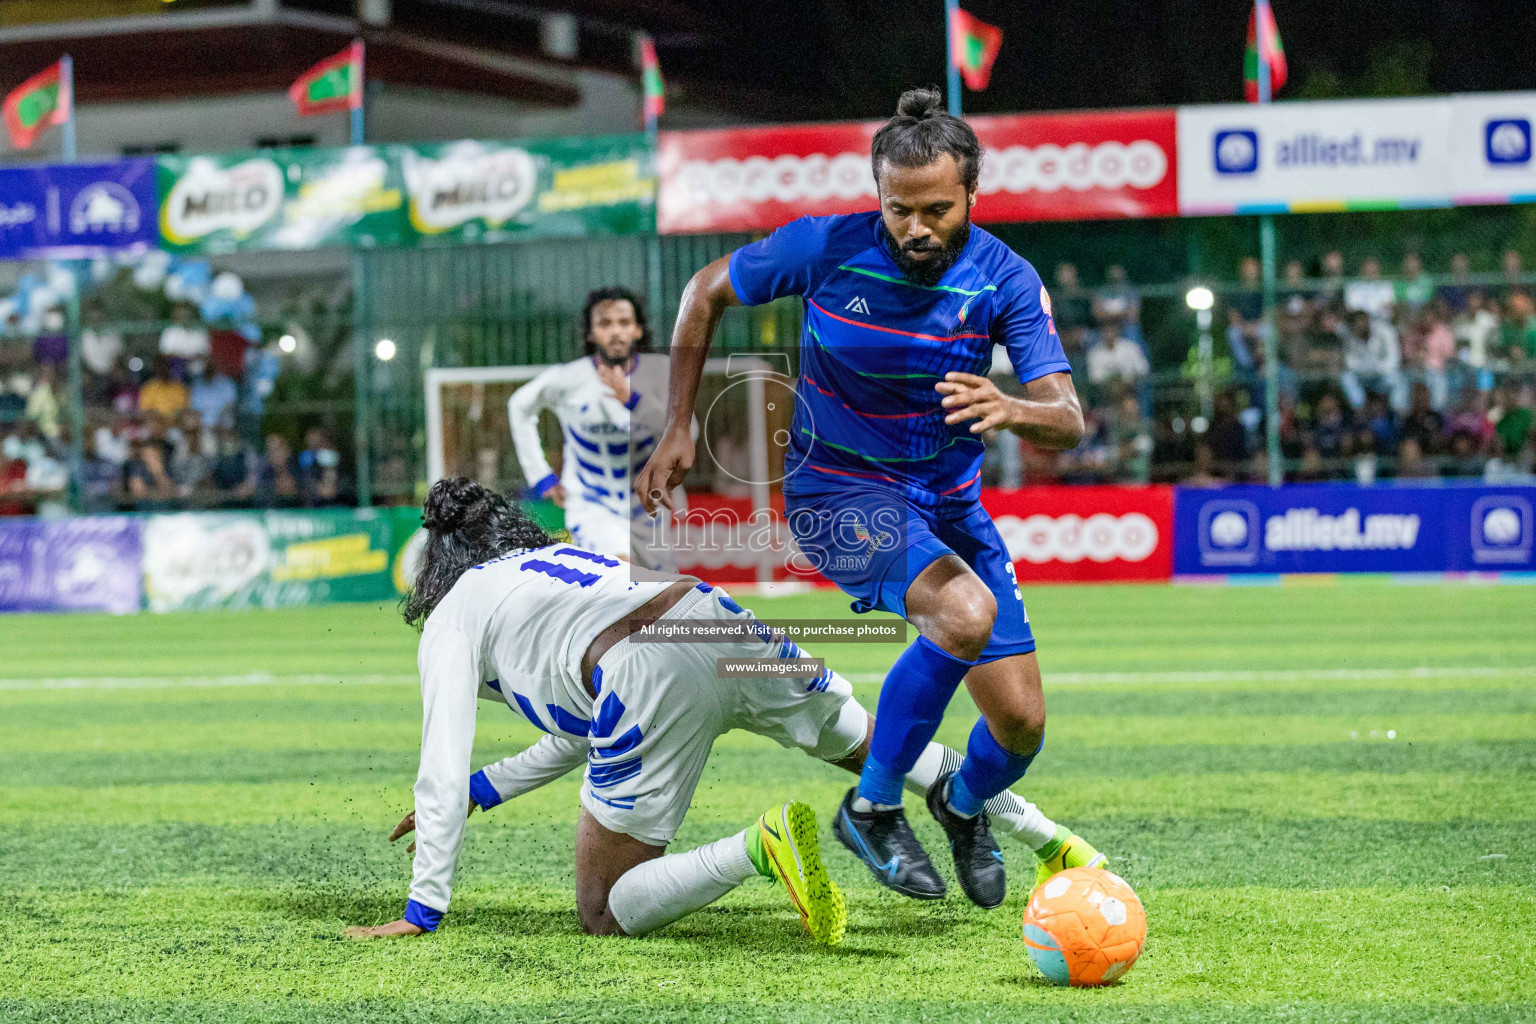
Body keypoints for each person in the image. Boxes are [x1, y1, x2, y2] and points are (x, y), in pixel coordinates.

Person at [635, 87, 1100, 909]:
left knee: (1020, 726)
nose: (916, 228)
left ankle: (959, 806)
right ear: (877, 196)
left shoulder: (1006, 280)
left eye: (936, 210)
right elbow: (704, 291)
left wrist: (1013, 407)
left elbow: (1067, 417)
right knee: (962, 616)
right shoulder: (825, 247)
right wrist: (677, 424)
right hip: (835, 493)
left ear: (972, 196)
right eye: (899, 210)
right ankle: (872, 806)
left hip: (949, 508)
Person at [345, 479, 1100, 943]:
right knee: (880, 752)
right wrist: (488, 791)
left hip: (643, 669)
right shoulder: (556, 562)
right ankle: (1054, 841)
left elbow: (435, 767)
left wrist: (424, 907)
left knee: (604, 913)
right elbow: (579, 728)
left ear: (434, 576)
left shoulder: (450, 617)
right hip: (714, 616)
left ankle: (759, 846)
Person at [508, 287, 677, 569]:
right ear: (590, 332)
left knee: (659, 591)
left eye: (624, 323)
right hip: (590, 502)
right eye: (604, 323)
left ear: (637, 330)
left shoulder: (661, 372)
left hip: (647, 504)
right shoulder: (568, 379)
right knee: (618, 572)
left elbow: (687, 432)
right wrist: (541, 476)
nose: (615, 332)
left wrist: (632, 399)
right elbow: (519, 406)